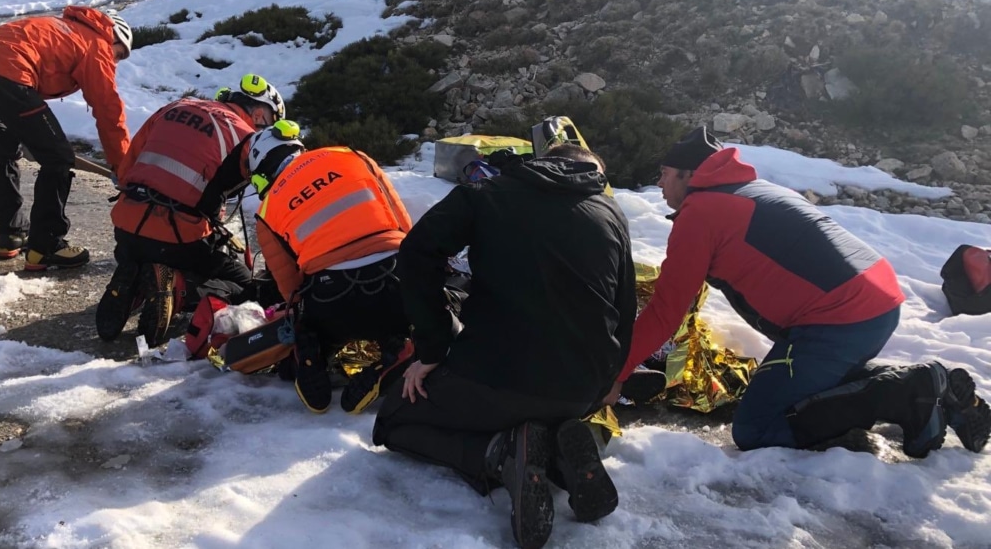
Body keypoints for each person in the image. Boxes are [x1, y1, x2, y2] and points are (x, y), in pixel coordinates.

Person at [610, 126, 990, 458]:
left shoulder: (701, 215)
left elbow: (666, 310)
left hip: (838, 318)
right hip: (873, 300)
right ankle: (943, 397)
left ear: (689, 174)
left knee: (756, 427)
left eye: (664, 175)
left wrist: (616, 375)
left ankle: (911, 393)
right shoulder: (747, 188)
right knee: (811, 378)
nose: (659, 184)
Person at [373, 143, 635, 549]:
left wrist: (432, 349)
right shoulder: (610, 212)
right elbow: (625, 305)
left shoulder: (486, 195)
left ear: (543, 161)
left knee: (393, 420)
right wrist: (612, 378)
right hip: (581, 393)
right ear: (593, 173)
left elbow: (416, 253)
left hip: (495, 379)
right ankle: (560, 462)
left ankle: (498, 454)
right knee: (539, 407)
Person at [95, 74, 287, 342]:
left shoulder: (175, 107)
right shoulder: (245, 138)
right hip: (176, 238)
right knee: (244, 284)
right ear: (258, 113)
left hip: (125, 227)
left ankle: (134, 276)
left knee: (161, 244)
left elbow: (128, 166)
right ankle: (177, 288)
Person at [0, 6, 133, 270]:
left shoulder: (63, 28)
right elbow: (109, 111)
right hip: (4, 73)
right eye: (119, 54)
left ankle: (12, 235)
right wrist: (123, 166)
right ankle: (46, 246)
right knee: (58, 158)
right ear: (113, 37)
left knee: (5, 150)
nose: (115, 62)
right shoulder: (96, 43)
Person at [247, 124, 415, 414]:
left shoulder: (267, 209)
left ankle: (312, 350)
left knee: (314, 326)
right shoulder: (353, 156)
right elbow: (404, 227)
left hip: (331, 299)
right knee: (421, 324)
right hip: (394, 281)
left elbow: (291, 291)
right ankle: (400, 351)